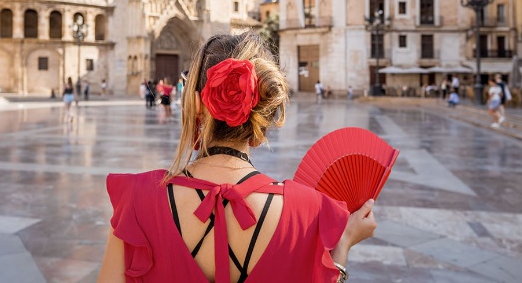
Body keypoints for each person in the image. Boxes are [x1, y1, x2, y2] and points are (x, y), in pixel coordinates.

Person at [97, 32, 377, 282]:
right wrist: (341, 249)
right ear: (263, 116)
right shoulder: (308, 213)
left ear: (195, 105)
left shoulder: (136, 202)